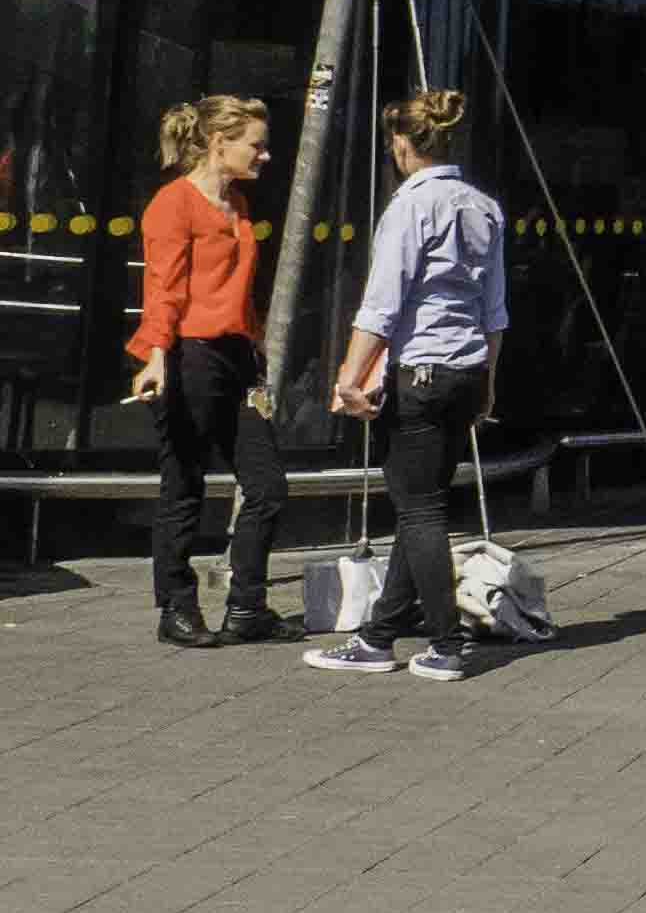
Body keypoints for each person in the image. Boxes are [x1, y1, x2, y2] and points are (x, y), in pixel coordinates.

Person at [310, 89, 508, 683]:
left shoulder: (410, 206)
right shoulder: (484, 207)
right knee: (421, 503)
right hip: (467, 371)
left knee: (419, 509)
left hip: (421, 370)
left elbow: (382, 304)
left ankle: (448, 644)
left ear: (401, 144)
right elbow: (494, 310)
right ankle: (379, 636)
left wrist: (349, 377)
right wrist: (488, 383)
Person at [125, 93, 285, 648]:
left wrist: (256, 346)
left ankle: (247, 607)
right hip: (189, 354)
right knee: (184, 485)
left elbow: (238, 290)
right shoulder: (173, 204)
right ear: (219, 143)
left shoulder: (237, 203)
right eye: (256, 146)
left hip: (236, 356)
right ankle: (177, 608)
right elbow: (163, 289)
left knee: (267, 486)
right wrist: (155, 355)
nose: (264, 155)